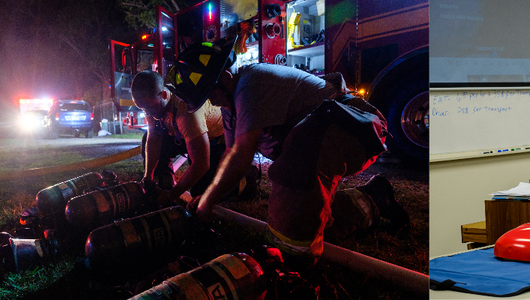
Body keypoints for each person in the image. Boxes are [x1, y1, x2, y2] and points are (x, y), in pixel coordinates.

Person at [169, 29, 390, 268]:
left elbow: (241, 155)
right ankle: (373, 199)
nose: (212, 103)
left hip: (353, 125)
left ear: (225, 77)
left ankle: (290, 265)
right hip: (323, 138)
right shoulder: (231, 105)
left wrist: (208, 201)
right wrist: (209, 194)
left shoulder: (250, 84)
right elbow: (230, 155)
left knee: (292, 185)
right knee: (308, 203)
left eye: (210, 94)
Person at [131, 70, 249, 204]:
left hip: (215, 141)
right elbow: (153, 137)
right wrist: (148, 176)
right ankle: (163, 184)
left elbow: (201, 163)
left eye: (149, 108)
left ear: (164, 95)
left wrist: (172, 196)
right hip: (185, 135)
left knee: (202, 193)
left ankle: (244, 180)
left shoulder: (186, 110)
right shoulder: (153, 105)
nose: (148, 113)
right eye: (142, 109)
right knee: (147, 136)